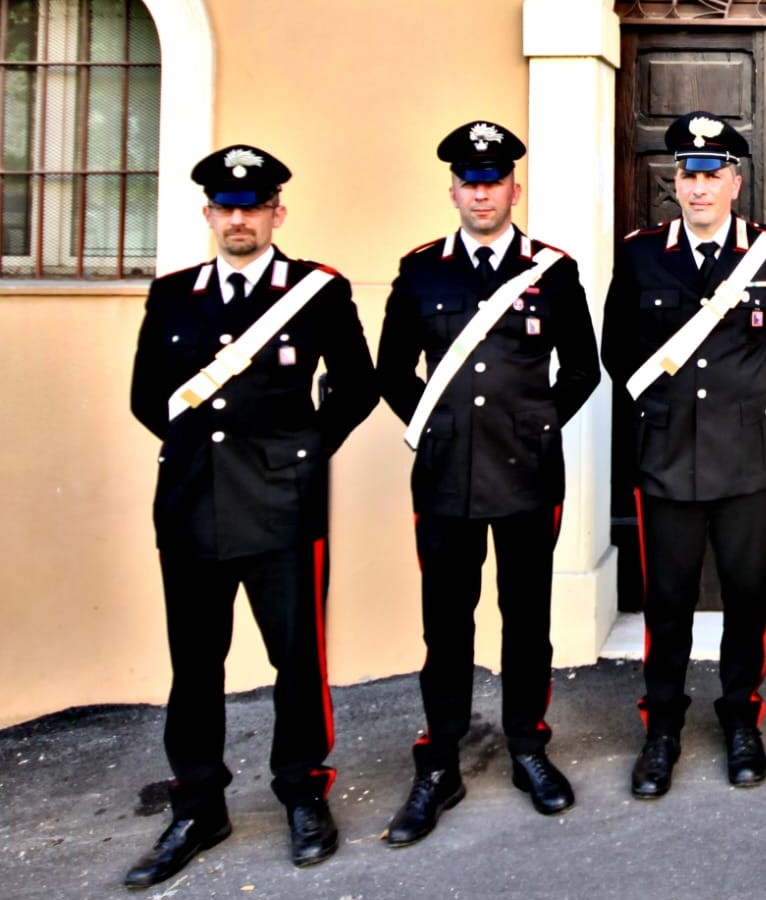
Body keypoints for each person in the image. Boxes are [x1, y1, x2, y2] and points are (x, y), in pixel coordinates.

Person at [126, 145, 378, 887]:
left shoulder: (316, 292)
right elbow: (147, 397)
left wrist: (303, 451)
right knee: (194, 665)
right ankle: (198, 806)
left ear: (277, 213)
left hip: (282, 509)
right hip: (191, 507)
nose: (240, 219)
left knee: (296, 660)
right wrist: (205, 455)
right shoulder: (173, 295)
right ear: (209, 214)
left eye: (254, 206)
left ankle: (303, 792)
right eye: (226, 207)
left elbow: (357, 387)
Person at [375, 120, 600, 842]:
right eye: (469, 183)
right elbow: (390, 371)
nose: (481, 194)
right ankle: (439, 762)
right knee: (446, 625)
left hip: (528, 476)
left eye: (493, 182)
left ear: (514, 189)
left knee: (526, 620)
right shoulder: (421, 272)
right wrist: (432, 426)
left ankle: (529, 747)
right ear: (453, 191)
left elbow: (584, 369)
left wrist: (540, 425)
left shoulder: (552, 272)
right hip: (445, 480)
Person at [601, 111, 766, 798]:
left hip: (747, 455)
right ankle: (661, 728)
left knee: (748, 595)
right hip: (666, 455)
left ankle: (741, 717)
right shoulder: (640, 255)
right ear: (675, 182)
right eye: (688, 175)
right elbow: (617, 348)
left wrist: (746, 407)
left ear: (734, 182)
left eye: (712, 175)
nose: (699, 188)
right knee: (667, 599)